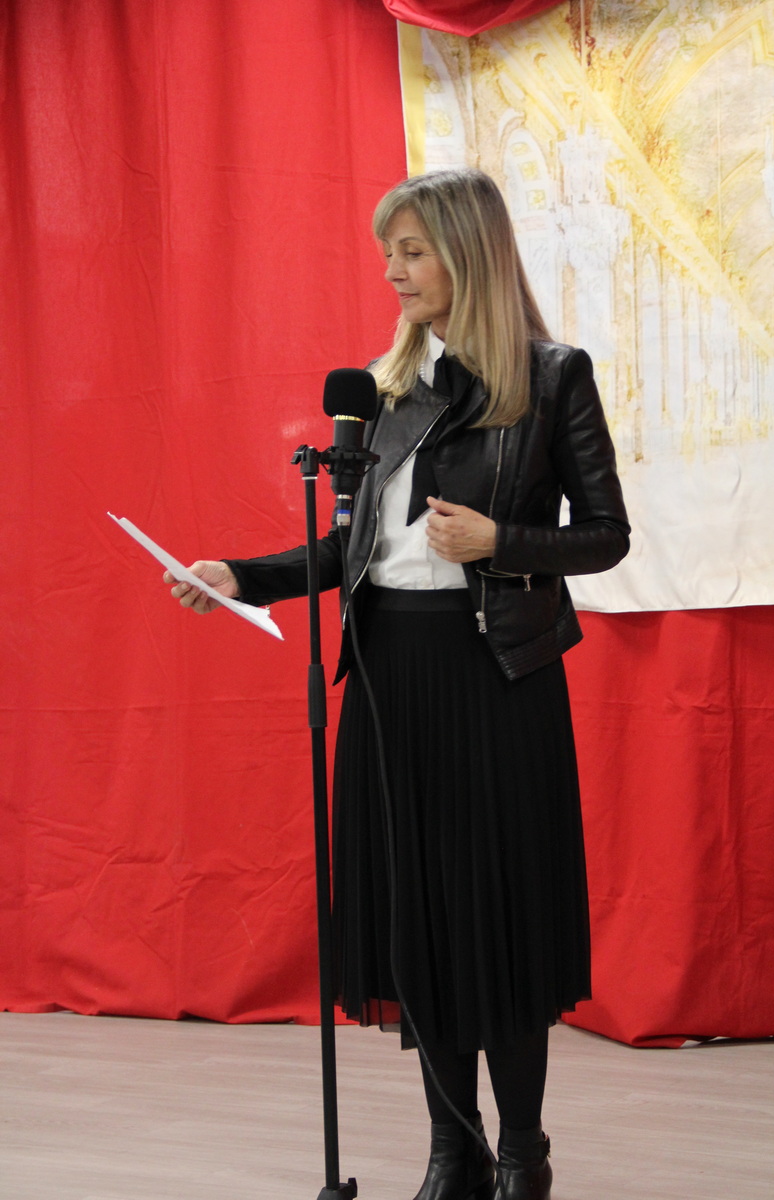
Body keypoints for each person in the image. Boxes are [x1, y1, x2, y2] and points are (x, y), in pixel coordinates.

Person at [165, 168, 630, 1200]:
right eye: (390, 252)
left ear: (467, 253)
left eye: (412, 251)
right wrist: (240, 575)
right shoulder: (387, 392)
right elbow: (353, 550)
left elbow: (606, 534)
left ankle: (522, 1156)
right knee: (419, 921)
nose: (393, 271)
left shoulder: (551, 378)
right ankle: (453, 1152)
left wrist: (503, 541)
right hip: (390, 678)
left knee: (494, 920)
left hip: (494, 681)